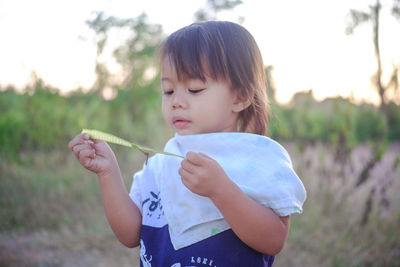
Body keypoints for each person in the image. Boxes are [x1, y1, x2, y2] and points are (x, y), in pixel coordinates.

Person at [69, 21, 306, 267]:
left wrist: (221, 190)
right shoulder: (161, 165)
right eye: (168, 91)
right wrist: (108, 172)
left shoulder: (257, 160)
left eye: (194, 89)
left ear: (240, 96)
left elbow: (274, 240)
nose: (176, 102)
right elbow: (130, 235)